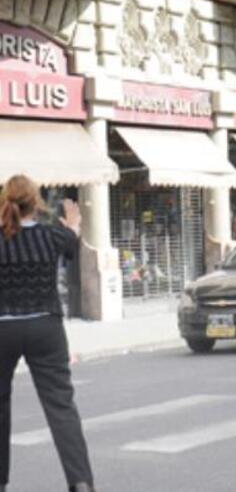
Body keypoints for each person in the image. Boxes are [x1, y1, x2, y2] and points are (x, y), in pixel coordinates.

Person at [0, 175, 95, 492]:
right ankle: (80, 482)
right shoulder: (52, 236)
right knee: (61, 406)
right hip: (46, 328)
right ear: (37, 202)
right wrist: (73, 224)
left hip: (3, 328)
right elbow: (71, 245)